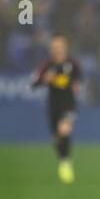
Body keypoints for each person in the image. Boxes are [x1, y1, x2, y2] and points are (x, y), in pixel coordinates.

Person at [32, 34, 82, 184]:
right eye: (54, 47)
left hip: (68, 105)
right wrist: (44, 79)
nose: (56, 50)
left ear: (65, 47)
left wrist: (75, 85)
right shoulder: (46, 66)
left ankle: (66, 163)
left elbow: (79, 80)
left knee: (64, 129)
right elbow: (34, 83)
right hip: (53, 106)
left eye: (59, 47)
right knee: (56, 138)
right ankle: (63, 159)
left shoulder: (72, 64)